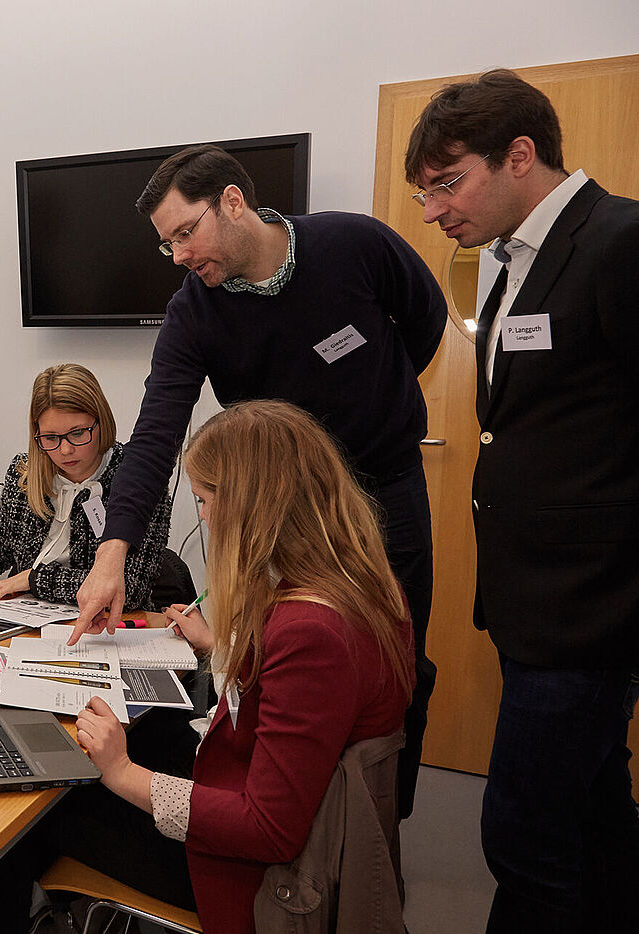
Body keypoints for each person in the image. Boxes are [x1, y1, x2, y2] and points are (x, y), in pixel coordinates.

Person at [72, 145, 446, 818]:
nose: (181, 255)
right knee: (283, 672)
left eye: (186, 233)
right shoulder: (196, 311)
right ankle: (284, 820)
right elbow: (157, 433)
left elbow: (422, 321)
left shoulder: (353, 244)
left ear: (235, 203)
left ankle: (375, 829)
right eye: (168, 245)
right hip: (281, 518)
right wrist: (113, 549)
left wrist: (380, 396)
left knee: (395, 666)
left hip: (385, 492)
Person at [0, 400, 413, 934]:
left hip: (256, 874)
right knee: (144, 735)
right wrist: (218, 649)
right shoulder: (351, 587)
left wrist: (123, 774)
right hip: (259, 792)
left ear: (254, 507)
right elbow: (296, 710)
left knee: (21, 821)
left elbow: (266, 829)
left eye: (204, 501)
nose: (201, 517)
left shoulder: (312, 635)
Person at [405, 69, 639, 933]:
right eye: (423, 192)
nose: (433, 211)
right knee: (594, 815)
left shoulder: (618, 241)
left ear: (520, 155)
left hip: (594, 610)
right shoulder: (507, 266)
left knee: (523, 836)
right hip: (535, 608)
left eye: (446, 182)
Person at [0, 363, 171, 608]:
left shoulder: (139, 479)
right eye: (50, 437)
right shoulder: (25, 472)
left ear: (101, 422)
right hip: (25, 616)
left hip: (108, 626)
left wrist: (32, 580)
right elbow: (3, 543)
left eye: (78, 433)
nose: (66, 449)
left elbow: (130, 587)